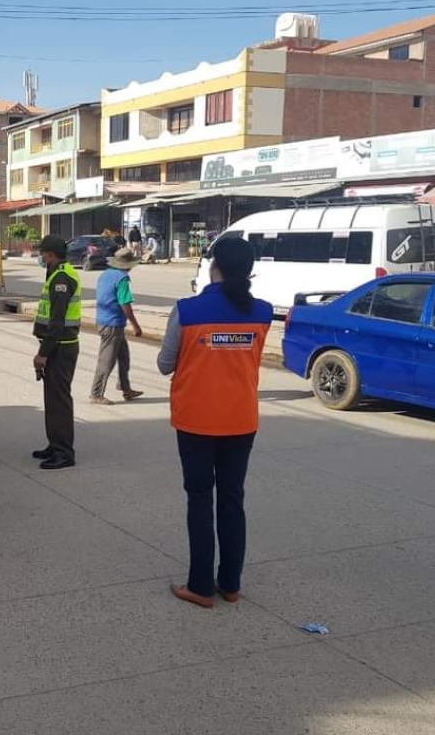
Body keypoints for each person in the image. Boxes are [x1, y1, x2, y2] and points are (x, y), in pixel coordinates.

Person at [157, 237, 272, 609]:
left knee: (201, 500)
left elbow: (164, 364)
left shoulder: (187, 310)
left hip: (196, 420)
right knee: (233, 500)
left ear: (214, 265)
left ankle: (201, 586)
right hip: (241, 419)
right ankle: (231, 584)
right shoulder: (263, 312)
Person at [31, 235, 81, 471]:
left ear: (49, 255)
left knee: (59, 400)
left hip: (61, 346)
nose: (41, 257)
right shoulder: (57, 273)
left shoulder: (61, 277)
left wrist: (43, 353)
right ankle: (54, 444)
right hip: (58, 345)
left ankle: (63, 452)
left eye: (42, 254)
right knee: (52, 399)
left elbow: (57, 321)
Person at [90, 248, 145, 405]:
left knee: (124, 357)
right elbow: (125, 303)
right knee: (106, 361)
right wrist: (136, 326)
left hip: (105, 320)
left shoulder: (105, 275)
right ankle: (96, 393)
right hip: (112, 324)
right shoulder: (122, 278)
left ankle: (126, 389)